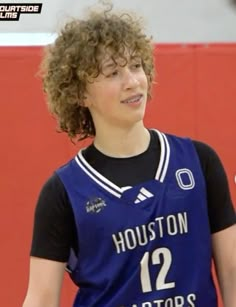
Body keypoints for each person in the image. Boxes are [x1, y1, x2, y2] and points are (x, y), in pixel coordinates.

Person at [22, 4, 236, 307]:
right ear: (80, 94)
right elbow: (41, 299)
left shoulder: (199, 162)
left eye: (136, 65)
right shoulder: (63, 192)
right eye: (113, 73)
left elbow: (231, 270)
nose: (132, 81)